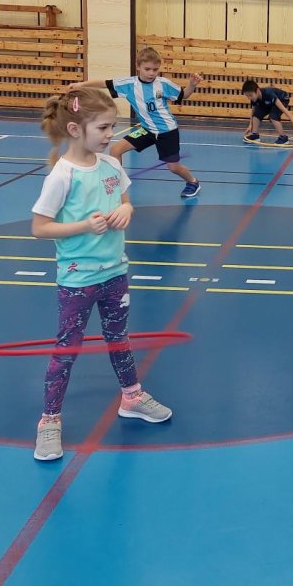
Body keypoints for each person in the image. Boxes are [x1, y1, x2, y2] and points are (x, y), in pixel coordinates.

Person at [30, 87, 172, 462]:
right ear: (75, 129)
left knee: (118, 339)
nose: (112, 134)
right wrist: (82, 226)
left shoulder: (111, 165)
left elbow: (124, 201)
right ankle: (49, 420)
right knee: (67, 349)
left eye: (113, 127)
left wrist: (127, 210)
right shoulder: (62, 175)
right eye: (104, 128)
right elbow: (40, 227)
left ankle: (132, 397)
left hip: (115, 273)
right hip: (78, 280)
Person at [69, 47, 203, 198]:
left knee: (173, 167)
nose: (151, 73)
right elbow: (104, 83)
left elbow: (183, 95)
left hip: (167, 132)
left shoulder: (164, 84)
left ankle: (193, 182)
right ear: (138, 66)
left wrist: (192, 85)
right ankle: (118, 186)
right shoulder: (129, 84)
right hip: (147, 130)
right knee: (115, 150)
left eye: (155, 69)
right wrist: (81, 85)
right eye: (147, 69)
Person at [241, 79, 293, 143]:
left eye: (250, 95)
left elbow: (284, 110)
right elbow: (253, 112)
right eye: (247, 96)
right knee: (256, 114)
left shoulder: (269, 94)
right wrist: (250, 125)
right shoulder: (254, 98)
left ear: (257, 91)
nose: (249, 98)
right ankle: (255, 135)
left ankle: (283, 138)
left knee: (273, 116)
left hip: (282, 99)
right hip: (268, 102)